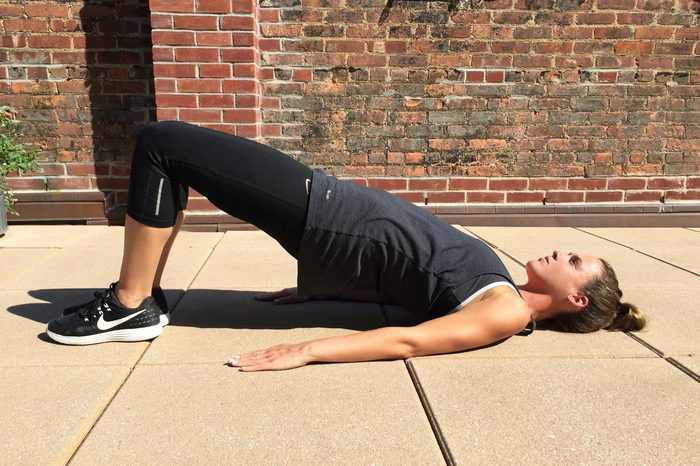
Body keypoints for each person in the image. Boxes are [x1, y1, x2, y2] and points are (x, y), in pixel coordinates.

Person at [46, 121, 646, 371]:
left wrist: (307, 350)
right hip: (327, 211)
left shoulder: (506, 313)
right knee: (169, 154)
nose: (563, 252)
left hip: (324, 213)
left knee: (162, 143)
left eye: (575, 263)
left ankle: (129, 306)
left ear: (574, 299)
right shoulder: (502, 290)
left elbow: (407, 339)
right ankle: (139, 295)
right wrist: (314, 292)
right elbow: (407, 284)